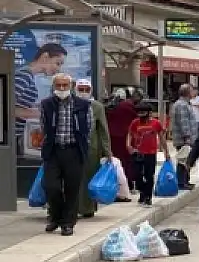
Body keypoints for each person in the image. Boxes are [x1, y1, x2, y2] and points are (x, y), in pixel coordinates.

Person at [39, 74, 94, 236]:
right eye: (58, 86)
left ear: (70, 86)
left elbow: (88, 127)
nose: (62, 89)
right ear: (53, 87)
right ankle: (55, 217)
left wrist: (82, 145)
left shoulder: (83, 105)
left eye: (65, 85)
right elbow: (43, 126)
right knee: (51, 186)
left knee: (72, 188)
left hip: (74, 151)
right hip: (54, 151)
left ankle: (67, 223)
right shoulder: (47, 104)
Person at [75, 79, 112, 218]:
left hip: (92, 149)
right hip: (73, 148)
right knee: (75, 179)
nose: (83, 92)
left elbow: (103, 130)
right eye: (81, 89)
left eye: (86, 89)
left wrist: (107, 150)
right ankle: (74, 207)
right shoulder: (70, 104)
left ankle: (87, 208)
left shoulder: (97, 107)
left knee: (89, 178)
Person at [126, 102, 169, 207]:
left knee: (149, 175)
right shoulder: (135, 123)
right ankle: (142, 192)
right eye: (139, 112)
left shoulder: (156, 123)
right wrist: (128, 146)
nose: (141, 115)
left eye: (143, 112)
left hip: (151, 153)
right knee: (137, 175)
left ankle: (148, 197)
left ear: (149, 113)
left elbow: (162, 138)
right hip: (138, 153)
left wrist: (166, 152)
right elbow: (130, 134)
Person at [106, 88, 141, 196]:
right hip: (125, 137)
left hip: (112, 136)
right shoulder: (128, 106)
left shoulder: (110, 106)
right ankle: (128, 185)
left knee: (116, 160)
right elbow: (136, 119)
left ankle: (116, 183)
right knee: (128, 161)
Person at [170, 83, 197, 191]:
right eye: (191, 90)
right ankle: (181, 182)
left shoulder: (185, 104)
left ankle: (185, 180)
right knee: (183, 160)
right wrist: (187, 137)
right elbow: (183, 122)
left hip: (186, 138)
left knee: (187, 159)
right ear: (187, 92)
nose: (193, 93)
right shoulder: (182, 105)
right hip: (183, 139)